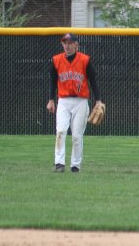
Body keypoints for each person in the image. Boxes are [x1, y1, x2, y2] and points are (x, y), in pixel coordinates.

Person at [46, 33, 102, 173]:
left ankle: (75, 165)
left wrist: (98, 101)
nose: (67, 45)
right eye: (65, 42)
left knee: (77, 136)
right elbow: (53, 81)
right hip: (63, 101)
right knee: (61, 131)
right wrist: (51, 100)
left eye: (70, 42)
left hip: (80, 101)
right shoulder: (56, 60)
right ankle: (59, 164)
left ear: (76, 45)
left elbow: (93, 81)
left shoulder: (85, 60)